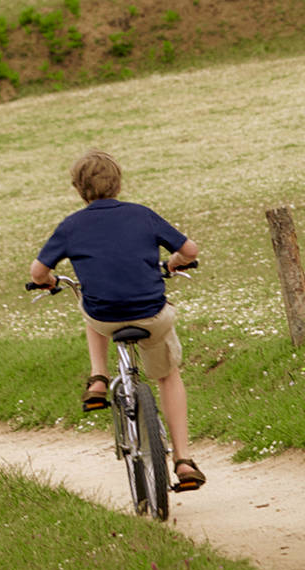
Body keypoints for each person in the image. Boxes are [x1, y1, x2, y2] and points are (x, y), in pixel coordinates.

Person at [27, 148, 206, 495]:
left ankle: (99, 378)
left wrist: (47, 282)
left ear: (78, 189)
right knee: (168, 374)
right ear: (119, 183)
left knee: (89, 307)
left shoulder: (71, 225)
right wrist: (175, 263)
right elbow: (191, 250)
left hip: (105, 319)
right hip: (152, 316)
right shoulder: (142, 215)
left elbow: (38, 271)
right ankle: (183, 460)